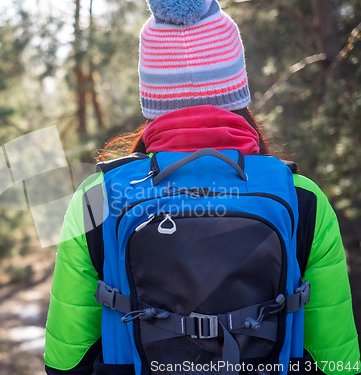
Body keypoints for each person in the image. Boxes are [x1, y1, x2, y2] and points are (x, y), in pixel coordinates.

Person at [44, 0, 360, 374]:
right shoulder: (303, 198)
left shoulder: (97, 197)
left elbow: (66, 360)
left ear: (152, 100)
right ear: (238, 93)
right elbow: (336, 361)